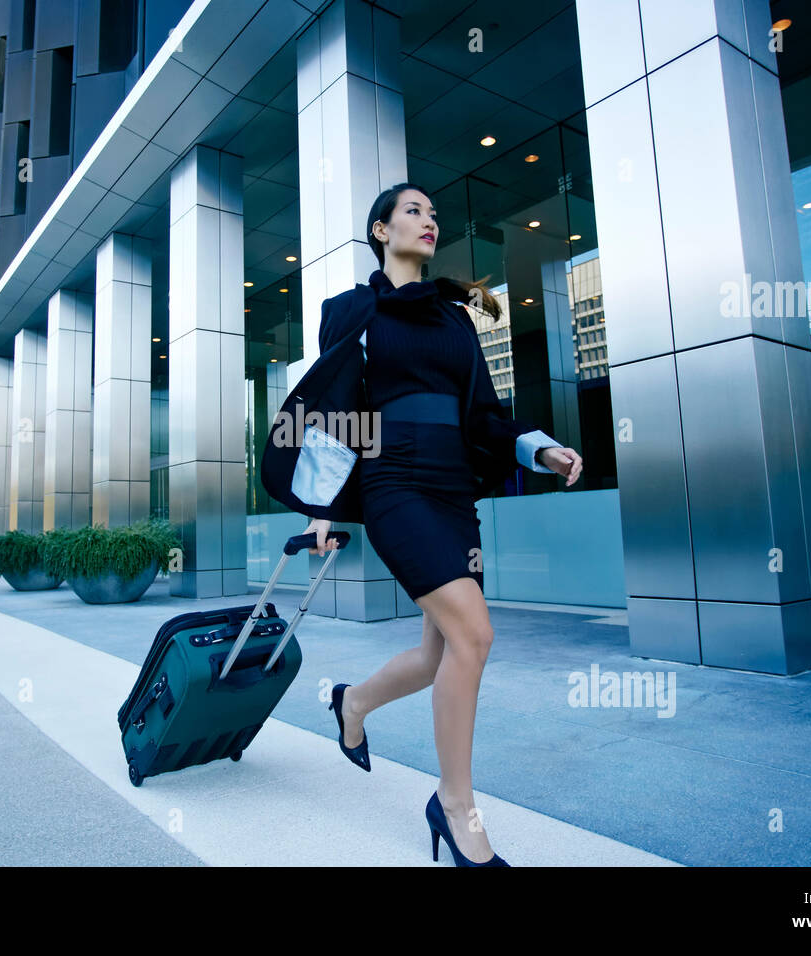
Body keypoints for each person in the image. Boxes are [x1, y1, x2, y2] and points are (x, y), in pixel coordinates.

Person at [305, 183, 583, 866]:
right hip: (394, 484)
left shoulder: (454, 318)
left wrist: (536, 447)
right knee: (476, 633)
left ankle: (352, 704)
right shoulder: (352, 311)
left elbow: (484, 412)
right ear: (380, 230)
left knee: (441, 654)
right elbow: (334, 408)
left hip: (453, 489)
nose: (429, 222)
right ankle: (455, 806)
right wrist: (320, 506)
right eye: (413, 211)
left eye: (433, 214)